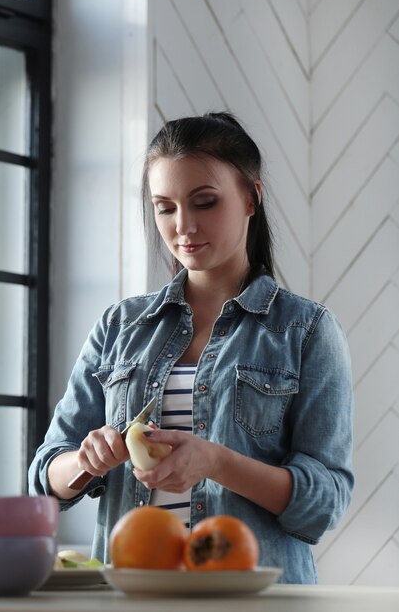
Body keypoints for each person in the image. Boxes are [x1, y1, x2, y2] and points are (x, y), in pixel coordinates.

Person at [29, 112, 354, 583]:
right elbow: (46, 476)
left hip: (256, 602)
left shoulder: (306, 331)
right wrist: (84, 461)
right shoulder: (120, 326)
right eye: (165, 207)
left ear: (251, 198)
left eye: (204, 202)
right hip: (129, 595)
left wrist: (216, 462)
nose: (184, 226)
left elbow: (322, 502)